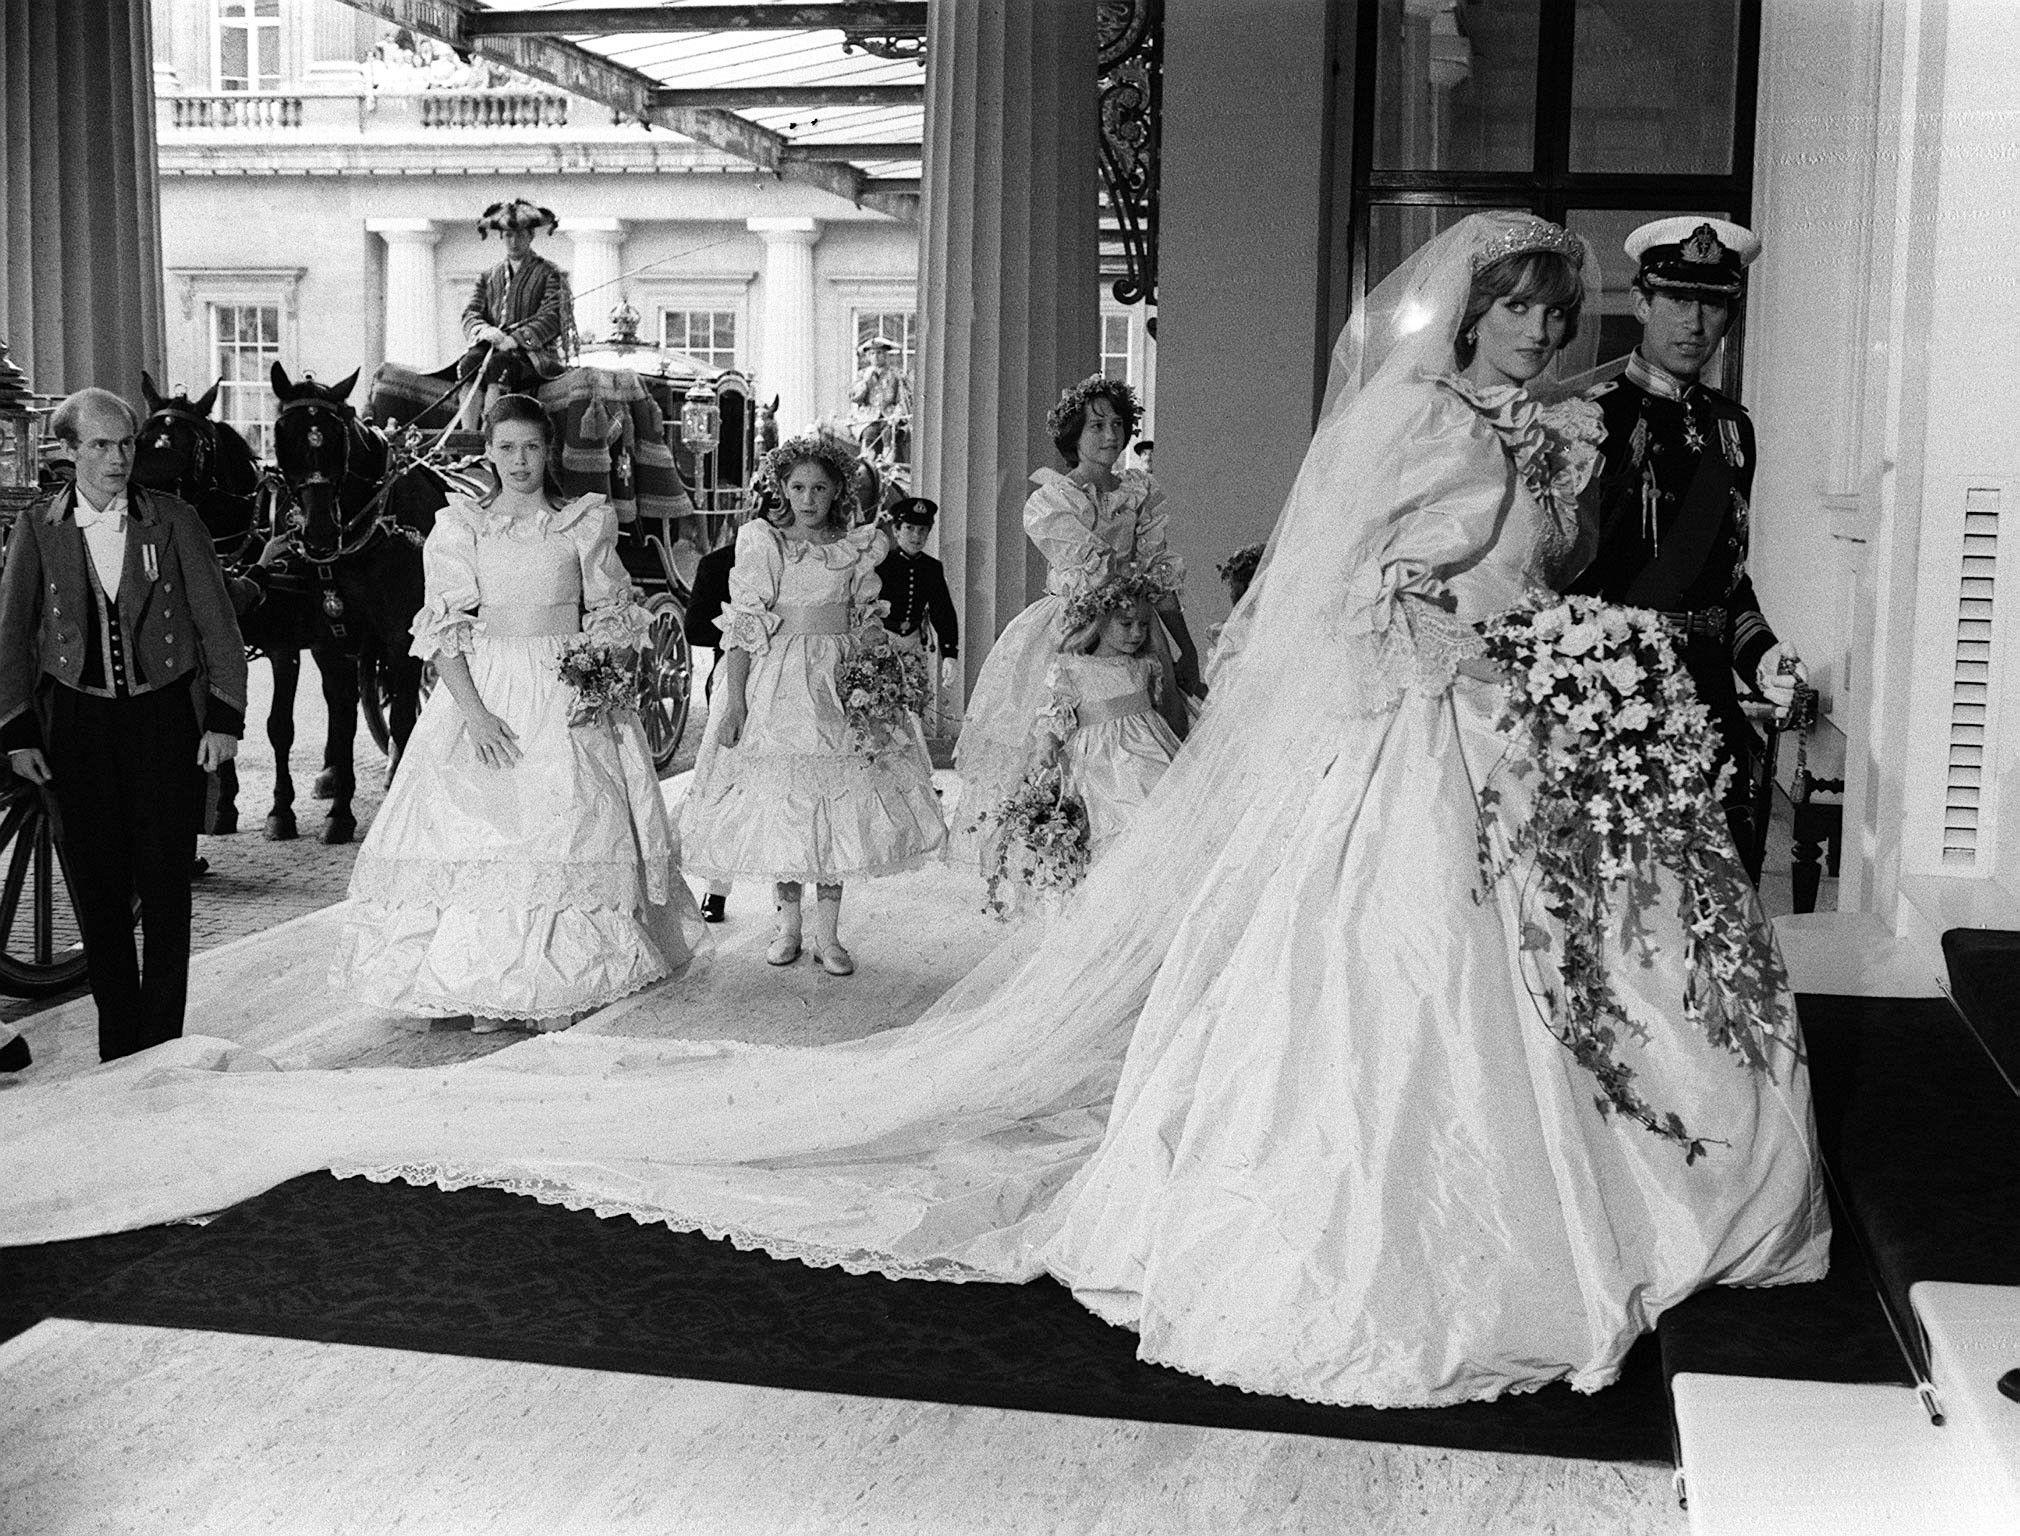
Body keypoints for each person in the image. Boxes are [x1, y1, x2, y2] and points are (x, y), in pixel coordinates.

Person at [2, 217, 1827, 1419]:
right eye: (1526, 311)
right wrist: (1447, 632)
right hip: (1414, 744)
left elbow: (1538, 576)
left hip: (1508, 742)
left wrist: (1564, 642)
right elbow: (1346, 598)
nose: (1539, 335)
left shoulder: (1575, 436)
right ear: (1480, 317)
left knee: (1538, 982)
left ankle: (1610, 1171)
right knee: (1390, 994)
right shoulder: (1423, 428)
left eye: (1553, 321)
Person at [329, 394, 704, 1029]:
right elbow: (444, 629)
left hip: (565, 687)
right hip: (489, 688)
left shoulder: (583, 522)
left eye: (531, 447)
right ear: (489, 452)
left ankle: (548, 980)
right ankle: (476, 982)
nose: (519, 461)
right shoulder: (461, 527)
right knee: (478, 826)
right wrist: (473, 715)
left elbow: (610, 613)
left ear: (550, 452)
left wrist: (597, 687)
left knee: (566, 819)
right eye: (506, 448)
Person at [0, 387, 247, 1062]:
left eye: (126, 444)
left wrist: (222, 716)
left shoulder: (172, 520)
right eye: (100, 445)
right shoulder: (38, 528)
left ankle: (162, 1046)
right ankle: (119, 1049)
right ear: (68, 450)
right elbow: (10, 636)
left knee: (167, 887)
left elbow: (217, 624)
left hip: (164, 720)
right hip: (74, 727)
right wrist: (18, 731)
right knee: (98, 891)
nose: (117, 458)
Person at [1567, 218, 1805, 880]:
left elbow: (1728, 584)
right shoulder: (1592, 418)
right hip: (1615, 695)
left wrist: (1764, 658)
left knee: (1721, 904)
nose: (1694, 323)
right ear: (1642, 302)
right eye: (1677, 299)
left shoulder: (1734, 431)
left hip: (1708, 700)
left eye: (1713, 303)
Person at [678, 437, 946, 976]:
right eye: (797, 487)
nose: (807, 498)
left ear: (838, 491)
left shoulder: (857, 548)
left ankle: (829, 936)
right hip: (779, 682)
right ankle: (787, 927)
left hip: (838, 682)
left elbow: (867, 618)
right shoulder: (766, 544)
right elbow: (745, 629)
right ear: (781, 489)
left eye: (819, 488)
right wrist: (731, 706)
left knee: (836, 806)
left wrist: (881, 682)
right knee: (788, 804)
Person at [952, 376, 1201, 847]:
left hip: (1132, 625)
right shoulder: (1053, 500)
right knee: (1065, 741)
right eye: (1096, 426)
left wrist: (1183, 647)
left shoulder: (1140, 493)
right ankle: (1062, 858)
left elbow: (1158, 575)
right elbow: (1093, 576)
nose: (1111, 435)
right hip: (1072, 628)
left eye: (1118, 423)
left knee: (1147, 745)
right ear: (1073, 437)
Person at [1035, 570, 1184, 855]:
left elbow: (1157, 710)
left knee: (1158, 805)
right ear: (1100, 621)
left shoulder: (1146, 664)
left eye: (1143, 624)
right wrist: (1049, 739)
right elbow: (1055, 710)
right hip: (1100, 761)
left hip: (1148, 751)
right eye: (1126, 624)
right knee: (1115, 825)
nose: (1137, 633)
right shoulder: (1074, 668)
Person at [457, 199, 572, 431]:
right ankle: (469, 436)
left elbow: (553, 316)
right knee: (468, 362)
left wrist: (515, 339)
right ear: (501, 238)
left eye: (520, 235)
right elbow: (470, 313)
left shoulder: (550, 273)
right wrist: (484, 330)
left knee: (498, 365)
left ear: (530, 236)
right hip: (492, 346)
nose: (514, 241)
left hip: (535, 355)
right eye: (508, 235)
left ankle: (491, 434)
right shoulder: (488, 276)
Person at [874, 496, 959, 691]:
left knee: (913, 698)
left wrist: (949, 654)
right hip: (882, 639)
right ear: (896, 530)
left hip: (913, 643)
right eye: (909, 528)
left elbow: (942, 611)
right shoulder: (881, 564)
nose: (916, 536)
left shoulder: (932, 568)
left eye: (922, 530)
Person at [847, 337, 911, 461]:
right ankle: (868, 464)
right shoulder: (863, 374)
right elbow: (855, 398)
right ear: (868, 357)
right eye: (872, 353)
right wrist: (865, 382)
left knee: (888, 434)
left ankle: (887, 464)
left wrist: (897, 414)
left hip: (889, 415)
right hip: (868, 417)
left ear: (886, 355)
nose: (876, 356)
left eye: (879, 353)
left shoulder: (895, 374)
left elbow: (903, 399)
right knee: (868, 434)